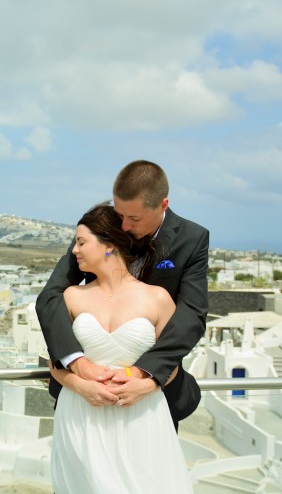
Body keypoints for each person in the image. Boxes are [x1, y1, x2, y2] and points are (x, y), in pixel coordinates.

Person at [36, 160, 209, 429]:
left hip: (152, 396)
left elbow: (192, 315)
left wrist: (145, 375)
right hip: (84, 397)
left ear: (162, 205)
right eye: (120, 214)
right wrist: (77, 365)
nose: (124, 225)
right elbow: (51, 297)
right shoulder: (102, 226)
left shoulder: (192, 238)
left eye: (134, 218)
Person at [49, 201, 193, 493]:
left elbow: (171, 364)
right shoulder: (71, 298)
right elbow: (56, 366)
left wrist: (145, 385)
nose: (74, 251)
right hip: (81, 416)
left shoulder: (158, 299)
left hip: (141, 416)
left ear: (109, 245)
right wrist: (82, 387)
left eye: (80, 242)